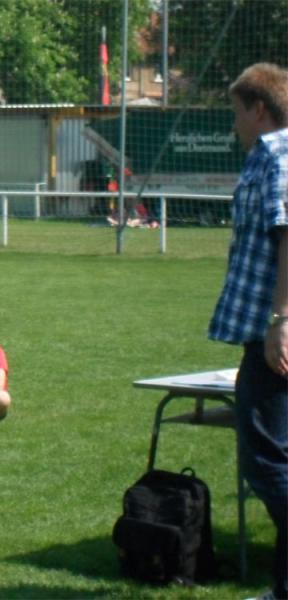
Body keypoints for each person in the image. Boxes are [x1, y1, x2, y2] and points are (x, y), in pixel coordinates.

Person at [208, 63, 288, 600]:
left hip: (275, 335)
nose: (233, 123)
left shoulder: (279, 156)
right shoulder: (268, 156)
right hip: (267, 331)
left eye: (236, 112)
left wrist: (281, 321)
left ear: (259, 109)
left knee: (264, 462)